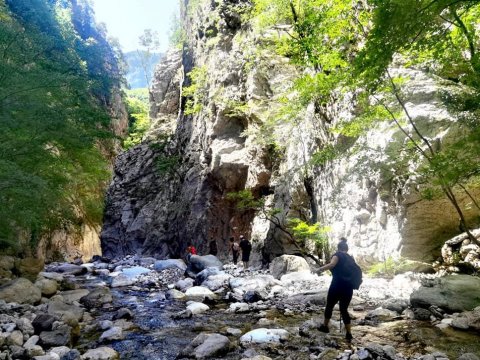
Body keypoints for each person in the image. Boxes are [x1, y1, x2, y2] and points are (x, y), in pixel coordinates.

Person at [317, 237, 354, 342]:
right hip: (348, 288)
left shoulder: (337, 255)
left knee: (329, 306)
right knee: (344, 310)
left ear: (338, 248)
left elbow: (332, 264)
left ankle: (325, 327)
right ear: (347, 249)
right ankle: (349, 333)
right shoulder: (351, 258)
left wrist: (319, 269)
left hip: (337, 286)